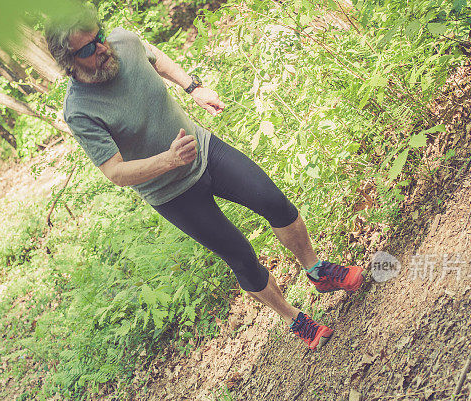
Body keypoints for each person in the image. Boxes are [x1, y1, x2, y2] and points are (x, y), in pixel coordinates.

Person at [44, 7, 364, 350]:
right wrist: (167, 160)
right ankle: (294, 319)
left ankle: (317, 271)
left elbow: (156, 59)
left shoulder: (123, 41)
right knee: (242, 258)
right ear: (69, 62)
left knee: (273, 201)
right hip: (172, 194)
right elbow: (115, 172)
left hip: (205, 150)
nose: (103, 47)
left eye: (100, 36)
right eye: (89, 49)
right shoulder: (79, 110)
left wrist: (192, 87)